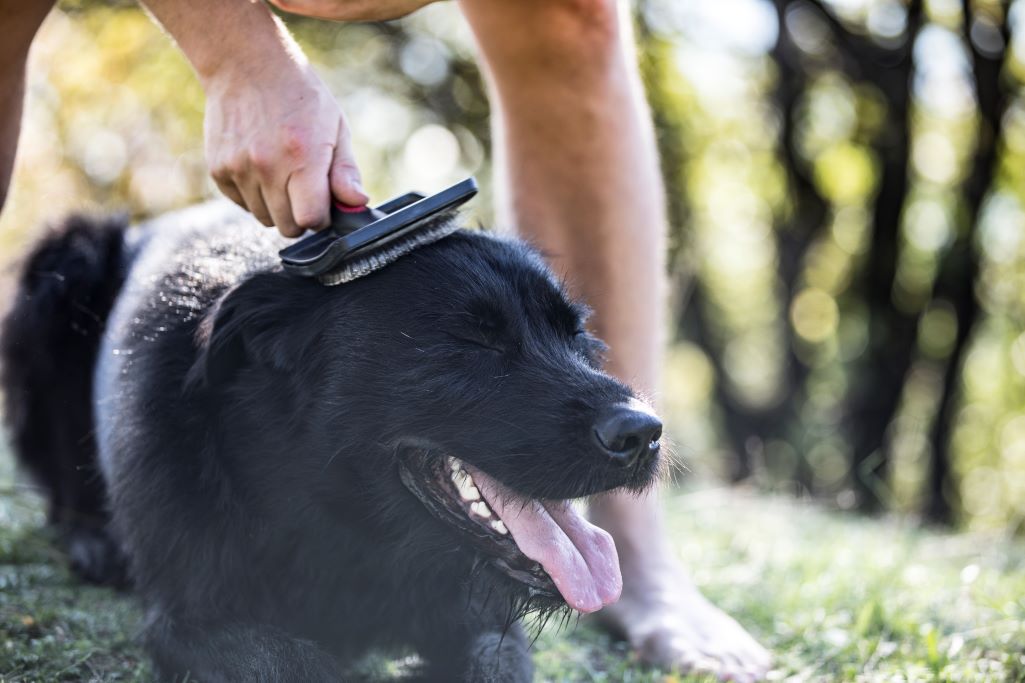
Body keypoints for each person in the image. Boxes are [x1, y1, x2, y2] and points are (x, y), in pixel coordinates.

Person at [1, 0, 771, 678]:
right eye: (476, 347)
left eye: (568, 338)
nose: (617, 402)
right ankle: (77, 513)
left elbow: (488, 639)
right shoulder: (213, 403)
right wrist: (240, 59)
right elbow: (201, 632)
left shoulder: (436, 484)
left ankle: (632, 556)